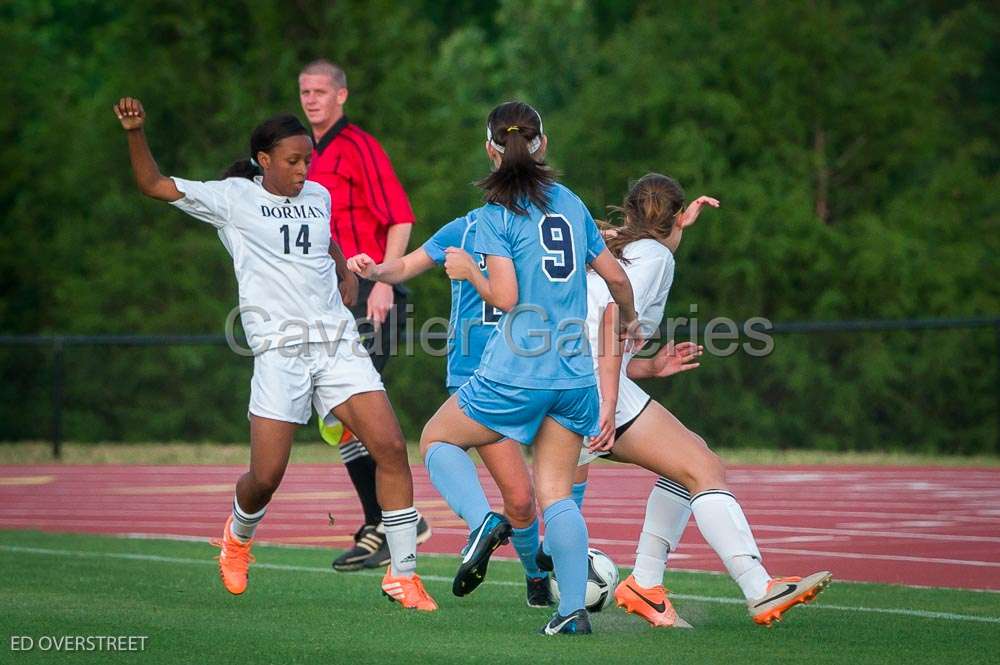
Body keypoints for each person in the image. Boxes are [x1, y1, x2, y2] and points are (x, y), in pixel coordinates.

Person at [112, 97, 437, 611]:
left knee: (392, 448)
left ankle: (403, 576)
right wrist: (134, 132)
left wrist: (342, 268)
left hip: (336, 345)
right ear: (264, 160)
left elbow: (322, 238)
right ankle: (237, 540)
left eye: (308, 160)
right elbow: (153, 185)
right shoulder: (233, 199)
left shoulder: (319, 195)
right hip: (280, 354)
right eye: (293, 161)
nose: (304, 169)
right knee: (266, 477)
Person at [570, 173, 832, 627]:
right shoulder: (652, 256)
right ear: (674, 222)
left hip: (566, 375)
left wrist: (647, 368)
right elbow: (610, 326)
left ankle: (646, 585)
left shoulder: (619, 248)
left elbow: (597, 330)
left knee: (691, 461)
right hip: (591, 384)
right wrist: (610, 401)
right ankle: (758, 587)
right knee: (704, 469)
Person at [417, 101, 639, 635]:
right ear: (543, 144)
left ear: (490, 147)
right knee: (557, 494)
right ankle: (571, 614)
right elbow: (617, 280)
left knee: (436, 440)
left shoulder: (495, 214)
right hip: (574, 376)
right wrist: (630, 321)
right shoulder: (570, 203)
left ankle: (482, 522)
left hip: (514, 372)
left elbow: (507, 296)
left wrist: (469, 270)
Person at [298, 59, 429, 571]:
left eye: (321, 91)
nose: (312, 100)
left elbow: (400, 216)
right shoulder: (301, 154)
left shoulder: (359, 146)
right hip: (326, 303)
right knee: (336, 415)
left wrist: (384, 283)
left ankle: (383, 522)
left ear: (342, 96)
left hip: (369, 295)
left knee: (353, 406)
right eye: (305, 92)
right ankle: (386, 518)